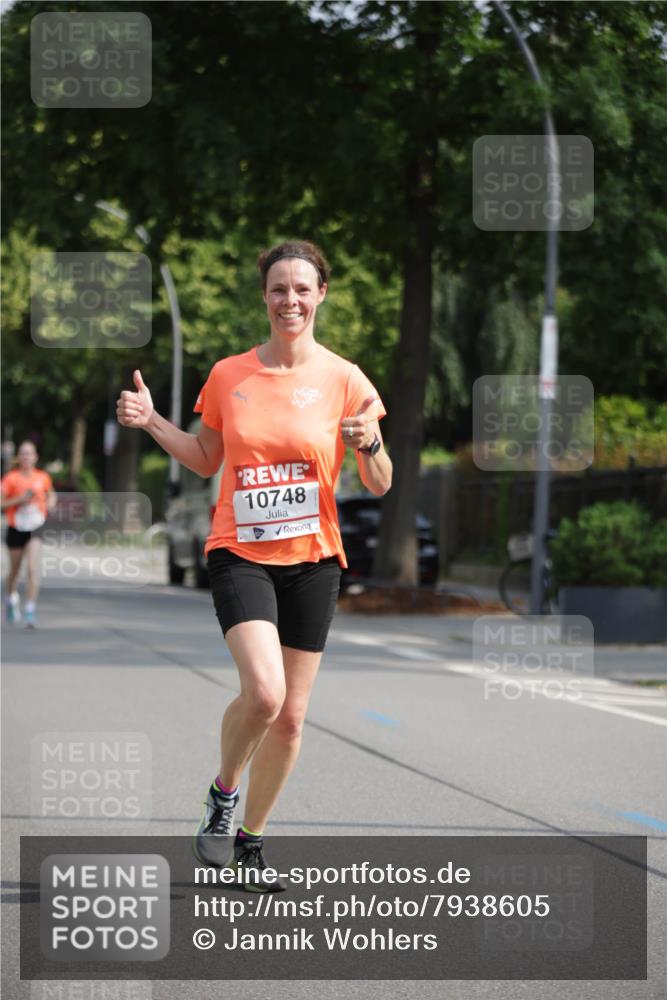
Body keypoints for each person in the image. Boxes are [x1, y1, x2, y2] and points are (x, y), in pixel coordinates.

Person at [116, 240, 392, 891]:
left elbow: (378, 482)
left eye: (301, 288)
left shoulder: (345, 379)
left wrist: (372, 441)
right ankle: (221, 793)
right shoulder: (228, 374)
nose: (288, 300)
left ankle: (249, 844)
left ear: (321, 293)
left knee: (291, 717)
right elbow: (206, 458)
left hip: (315, 558)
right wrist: (153, 420)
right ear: (263, 296)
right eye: (277, 289)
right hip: (239, 551)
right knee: (263, 694)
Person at [1, 440, 57, 628]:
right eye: (23, 453)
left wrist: (50, 504)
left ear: (35, 457)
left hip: (36, 526)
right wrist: (20, 499)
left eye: (29, 453)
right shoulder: (10, 478)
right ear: (19, 457)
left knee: (33, 568)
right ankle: (10, 599)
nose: (26, 457)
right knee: (15, 571)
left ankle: (30, 609)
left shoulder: (43, 477)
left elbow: (51, 494)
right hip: (16, 527)